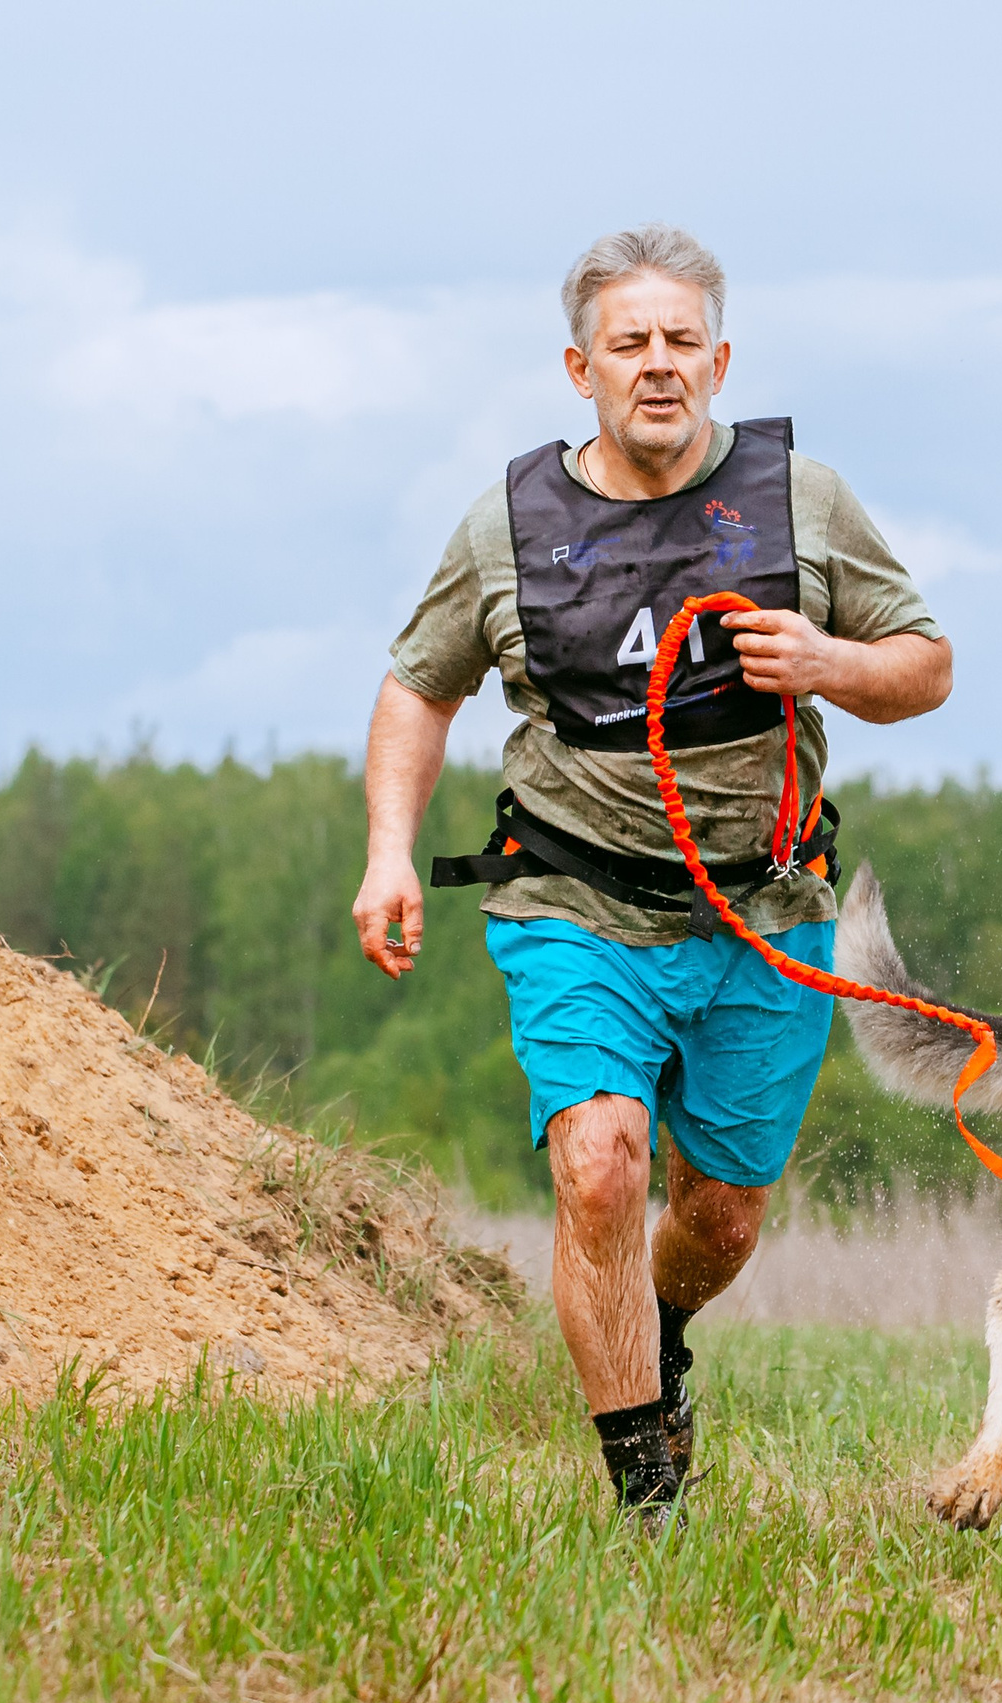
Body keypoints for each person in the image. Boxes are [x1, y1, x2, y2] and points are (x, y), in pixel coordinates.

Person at [352, 224, 952, 1523]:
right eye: (632, 343)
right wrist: (388, 852)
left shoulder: (804, 502)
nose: (660, 364)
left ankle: (660, 1332)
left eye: (683, 340)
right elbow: (417, 686)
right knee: (601, 1163)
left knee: (721, 1217)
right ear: (582, 367)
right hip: (574, 897)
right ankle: (646, 1493)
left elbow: (926, 663)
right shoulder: (507, 525)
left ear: (720, 357)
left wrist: (829, 664)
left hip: (764, 909)